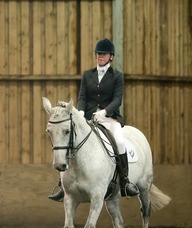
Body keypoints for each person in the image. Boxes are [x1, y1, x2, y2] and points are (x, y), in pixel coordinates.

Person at [48, 38, 139, 201]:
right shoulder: (87, 75)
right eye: (98, 54)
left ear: (111, 56)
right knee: (70, 140)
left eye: (103, 54)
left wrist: (104, 112)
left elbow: (117, 100)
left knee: (119, 140)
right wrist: (81, 112)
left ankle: (125, 181)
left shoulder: (117, 76)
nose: (100, 56)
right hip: (88, 117)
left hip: (109, 118)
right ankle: (63, 186)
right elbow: (82, 96)